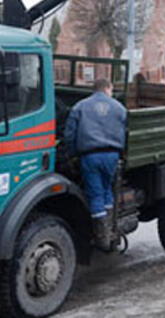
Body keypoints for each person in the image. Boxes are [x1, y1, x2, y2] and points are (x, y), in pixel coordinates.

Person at [65, 78, 126, 251]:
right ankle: (110, 226)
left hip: (90, 156)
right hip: (112, 156)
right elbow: (125, 130)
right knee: (107, 190)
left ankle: (102, 236)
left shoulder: (80, 107)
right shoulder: (119, 108)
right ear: (108, 88)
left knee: (95, 193)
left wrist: (72, 154)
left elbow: (70, 134)